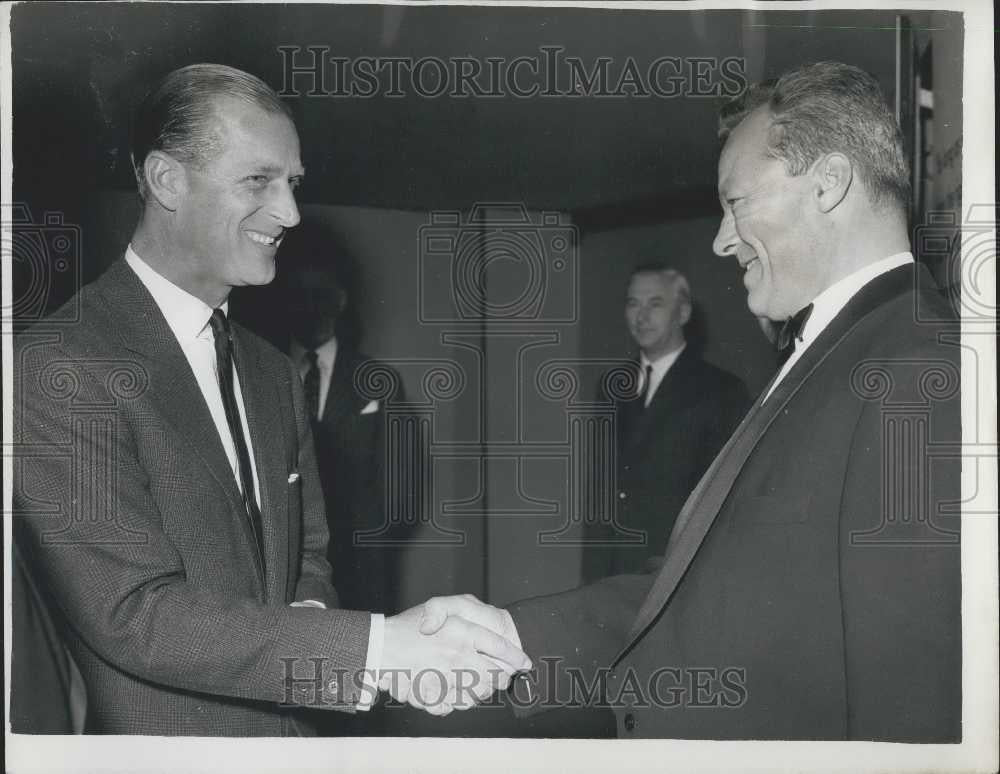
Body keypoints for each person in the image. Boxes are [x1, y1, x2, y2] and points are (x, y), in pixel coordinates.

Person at [424, 61, 961, 741]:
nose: (720, 239)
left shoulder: (917, 371)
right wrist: (513, 634)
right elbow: (717, 585)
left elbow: (918, 708)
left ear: (828, 184)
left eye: (736, 204)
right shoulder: (841, 353)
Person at [12, 63, 528, 736]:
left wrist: (330, 651)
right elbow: (134, 615)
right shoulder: (60, 364)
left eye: (292, 184)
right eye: (259, 181)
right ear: (167, 181)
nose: (289, 213)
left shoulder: (270, 370)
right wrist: (380, 650)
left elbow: (309, 555)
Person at [583, 265, 749, 580]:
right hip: (611, 571)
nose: (641, 316)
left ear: (683, 312)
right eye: (633, 303)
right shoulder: (610, 386)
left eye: (655, 304)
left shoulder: (721, 390)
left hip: (673, 573)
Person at [280, 229, 410, 616]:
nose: (310, 306)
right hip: (286, 569)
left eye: (320, 293)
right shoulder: (265, 372)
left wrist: (371, 546)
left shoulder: (377, 380)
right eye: (298, 294)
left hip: (360, 569)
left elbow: (402, 482)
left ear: (340, 300)